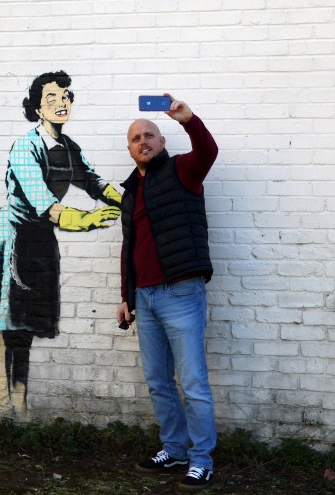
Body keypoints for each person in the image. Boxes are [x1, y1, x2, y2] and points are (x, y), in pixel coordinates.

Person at [0, 71, 122, 418]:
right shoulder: (26, 147)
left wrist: (124, 199)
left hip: (39, 244)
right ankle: (4, 408)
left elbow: (93, 181)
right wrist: (91, 219)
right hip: (12, 241)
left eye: (65, 96)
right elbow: (46, 205)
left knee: (28, 328)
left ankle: (19, 408)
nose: (61, 103)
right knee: (7, 328)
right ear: (37, 108)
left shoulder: (68, 149)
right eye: (51, 98)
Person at [117, 95, 219, 492]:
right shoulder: (131, 191)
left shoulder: (182, 171)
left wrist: (188, 119)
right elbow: (130, 247)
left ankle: (202, 459)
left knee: (193, 383)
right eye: (135, 138)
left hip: (181, 292)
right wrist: (126, 296)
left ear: (161, 142)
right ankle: (174, 449)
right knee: (159, 381)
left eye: (149, 135)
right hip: (145, 297)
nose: (142, 141)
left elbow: (208, 151)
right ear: (130, 149)